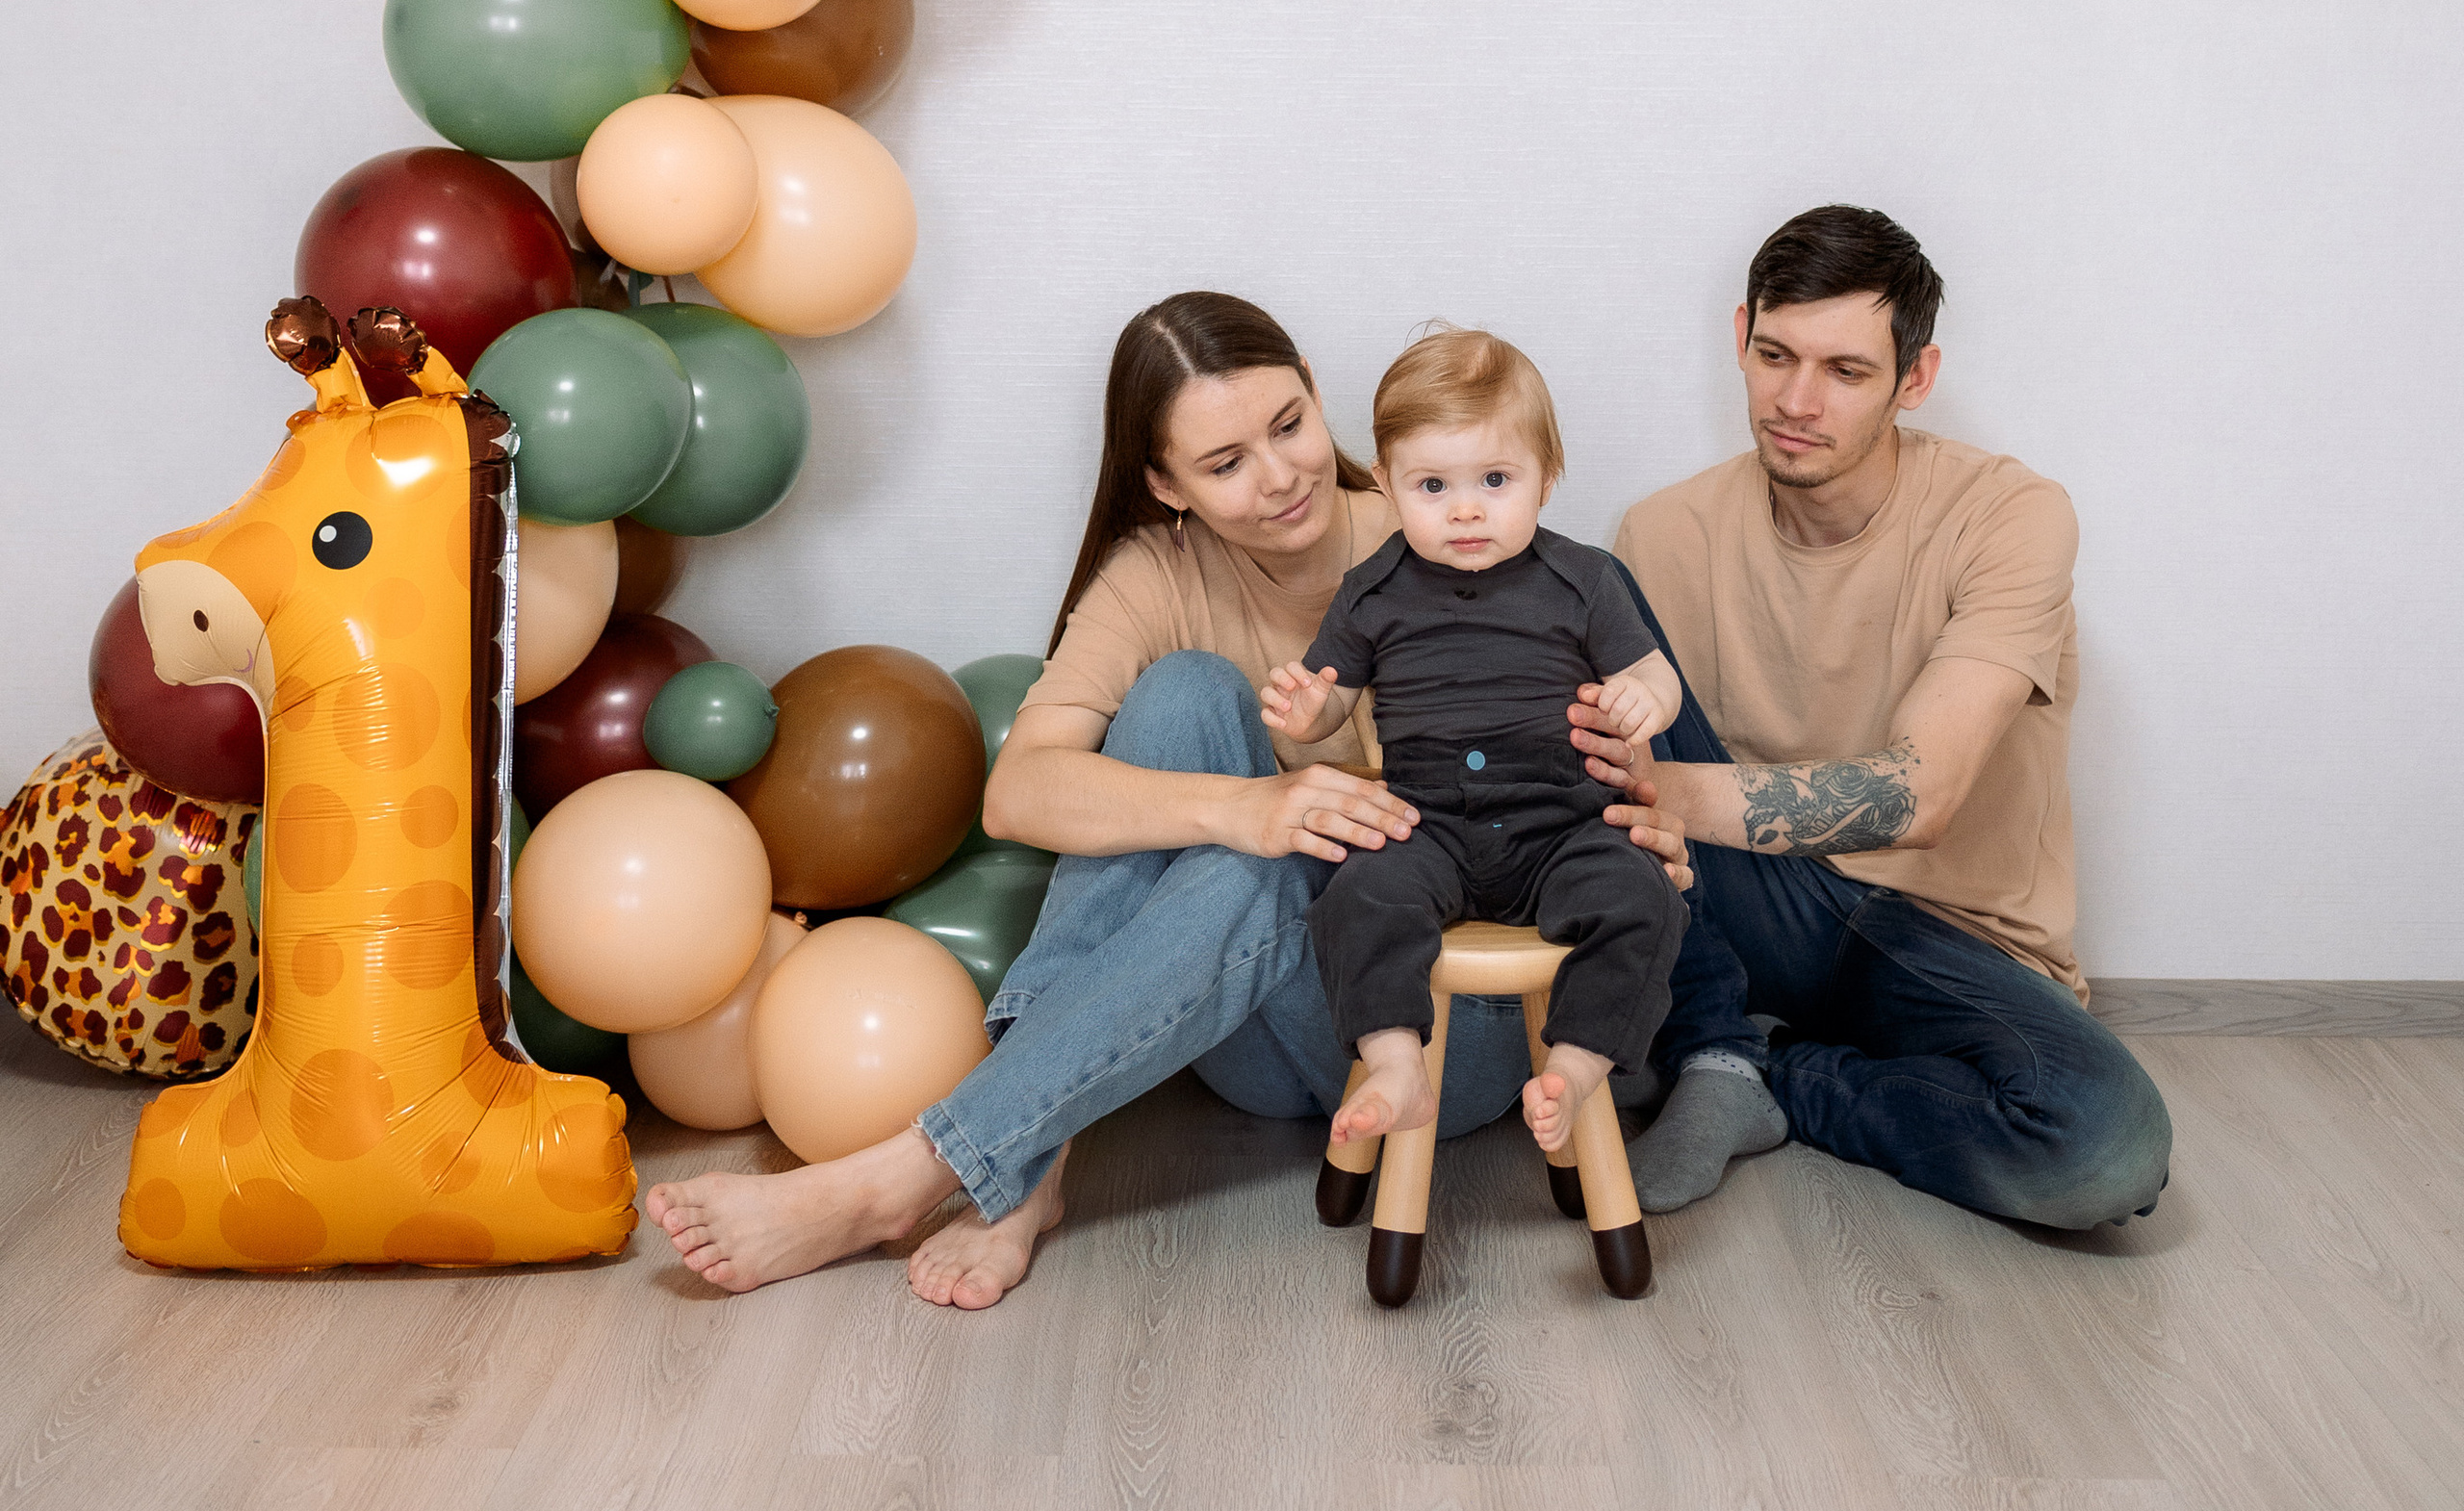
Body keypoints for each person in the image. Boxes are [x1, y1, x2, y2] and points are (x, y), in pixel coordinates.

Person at [644, 291, 1696, 1302]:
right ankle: (1028, 1157)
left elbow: (1601, 766)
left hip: (1432, 1031)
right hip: (1250, 1025)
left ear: (1319, 395)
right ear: (1165, 483)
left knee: (1281, 857)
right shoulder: (1158, 571)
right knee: (1188, 699)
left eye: (1290, 424)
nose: (1282, 475)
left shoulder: (1451, 524)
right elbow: (1020, 793)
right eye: (1225, 462)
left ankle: (934, 1167)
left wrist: (1644, 817)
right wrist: (1242, 810)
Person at [1587, 204, 2173, 1234]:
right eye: (1774, 355)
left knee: (2103, 1150)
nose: (1796, 400)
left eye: (1846, 372)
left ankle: (1764, 1070)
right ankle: (1711, 1038)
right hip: (1753, 901)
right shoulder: (1660, 530)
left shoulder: (2009, 514)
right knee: (1563, 606)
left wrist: (1668, 791)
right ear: (1739, 336)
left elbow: (1921, 794)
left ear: (1915, 378)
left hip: (1945, 933)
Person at [1264, 327, 1685, 1160]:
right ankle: (1395, 1065)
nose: (1465, 508)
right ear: (1386, 484)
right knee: (1359, 897)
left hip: (1562, 827)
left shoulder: (1584, 579)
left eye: (1495, 480)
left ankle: (1574, 1065)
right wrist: (1304, 711)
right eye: (1432, 484)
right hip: (1429, 832)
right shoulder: (1372, 590)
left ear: (1546, 479)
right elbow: (1332, 705)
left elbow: (1658, 679)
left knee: (1644, 896)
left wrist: (1645, 698)